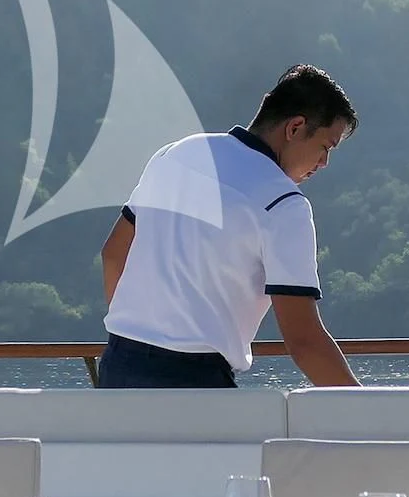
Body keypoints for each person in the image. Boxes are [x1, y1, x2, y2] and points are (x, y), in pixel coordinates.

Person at [96, 64, 360, 388]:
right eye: (325, 148)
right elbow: (304, 342)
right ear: (295, 127)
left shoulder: (176, 154)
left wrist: (142, 333)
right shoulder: (283, 203)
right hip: (196, 380)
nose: (324, 164)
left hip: (118, 363)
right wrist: (366, 413)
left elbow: (113, 254)